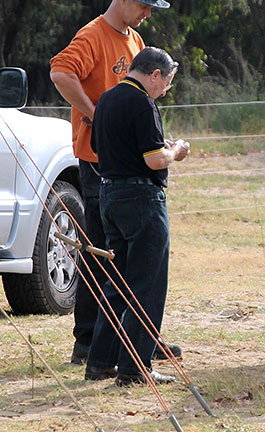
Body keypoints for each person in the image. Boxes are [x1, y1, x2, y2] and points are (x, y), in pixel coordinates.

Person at [50, 0, 180, 364]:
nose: (148, 13)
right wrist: (94, 114)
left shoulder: (135, 38)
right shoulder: (92, 35)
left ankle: (134, 337)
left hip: (127, 166)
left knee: (127, 259)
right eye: (144, 5)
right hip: (97, 163)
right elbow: (60, 71)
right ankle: (89, 341)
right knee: (103, 253)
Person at [84, 47, 189, 385]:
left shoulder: (107, 99)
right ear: (155, 74)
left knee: (117, 283)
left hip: (109, 195)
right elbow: (155, 160)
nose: (165, 90)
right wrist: (175, 151)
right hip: (142, 198)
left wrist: (155, 148)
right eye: (167, 83)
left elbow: (100, 149)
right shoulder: (143, 101)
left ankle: (99, 361)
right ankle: (134, 368)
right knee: (148, 283)